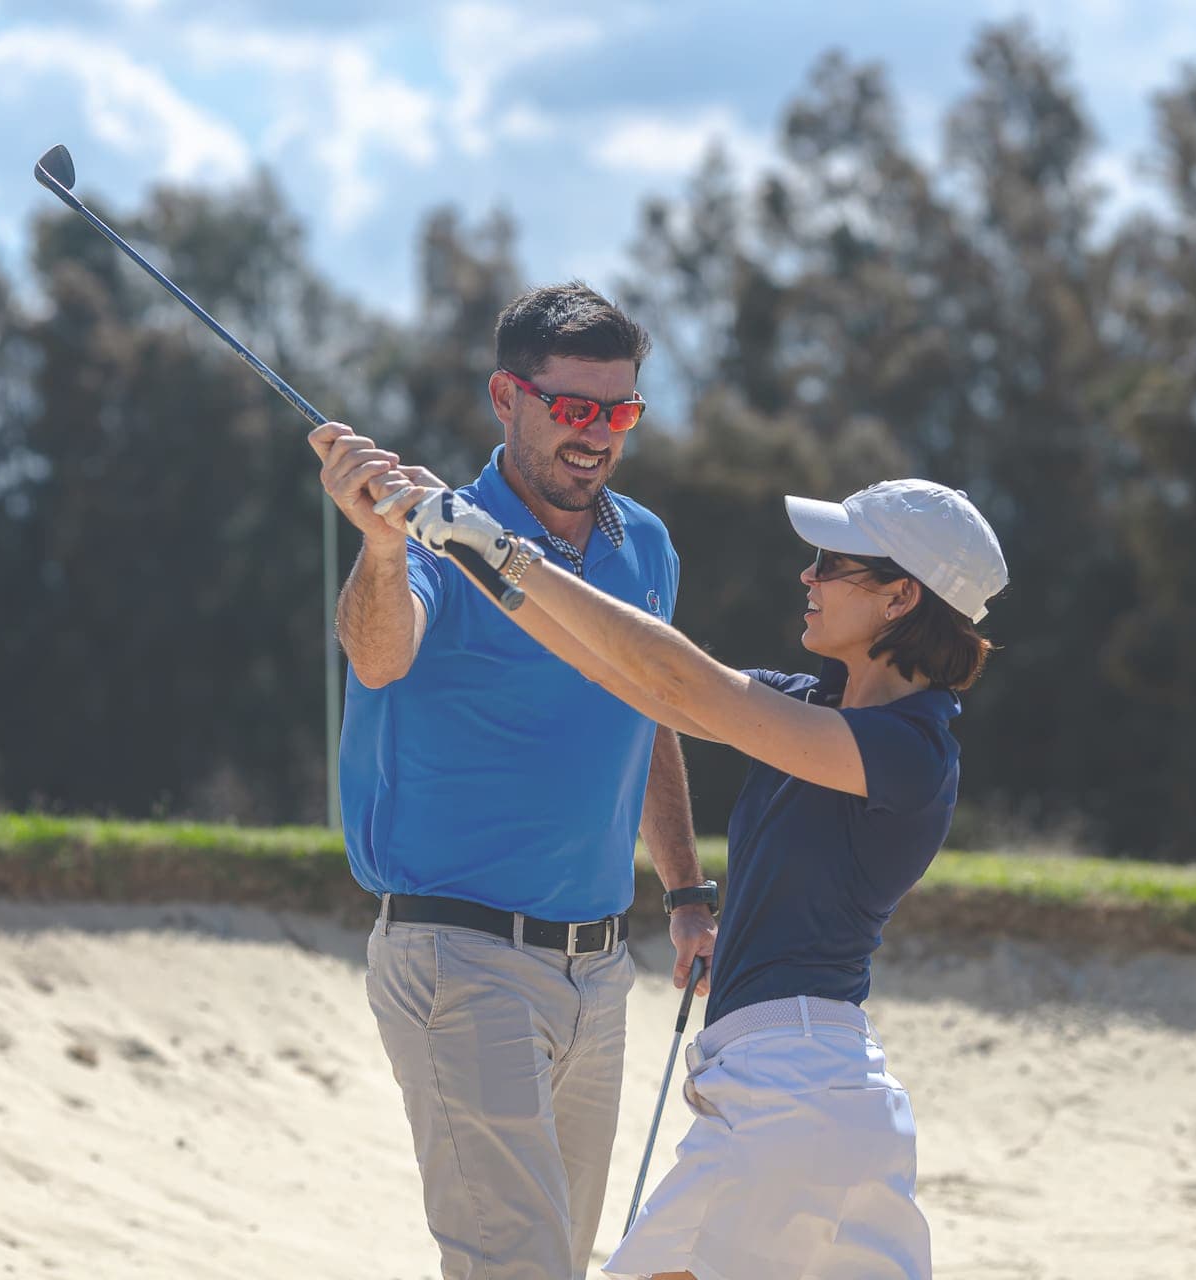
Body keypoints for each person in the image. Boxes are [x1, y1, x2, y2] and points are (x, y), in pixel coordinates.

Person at [368, 470, 1008, 1280]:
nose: (806, 577)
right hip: (804, 1098)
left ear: (899, 598)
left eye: (831, 563)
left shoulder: (910, 749)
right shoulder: (817, 704)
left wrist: (510, 552)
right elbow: (622, 674)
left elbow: (687, 681)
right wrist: (464, 549)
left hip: (795, 1097)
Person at [306, 281, 717, 1280]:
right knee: (516, 1264)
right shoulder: (443, 536)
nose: (596, 435)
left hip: (599, 967)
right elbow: (377, 652)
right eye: (573, 408)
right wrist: (381, 543)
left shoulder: (646, 545)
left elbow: (648, 708)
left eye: (618, 412)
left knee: (554, 1264)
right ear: (508, 396)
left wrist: (687, 885)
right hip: (460, 955)